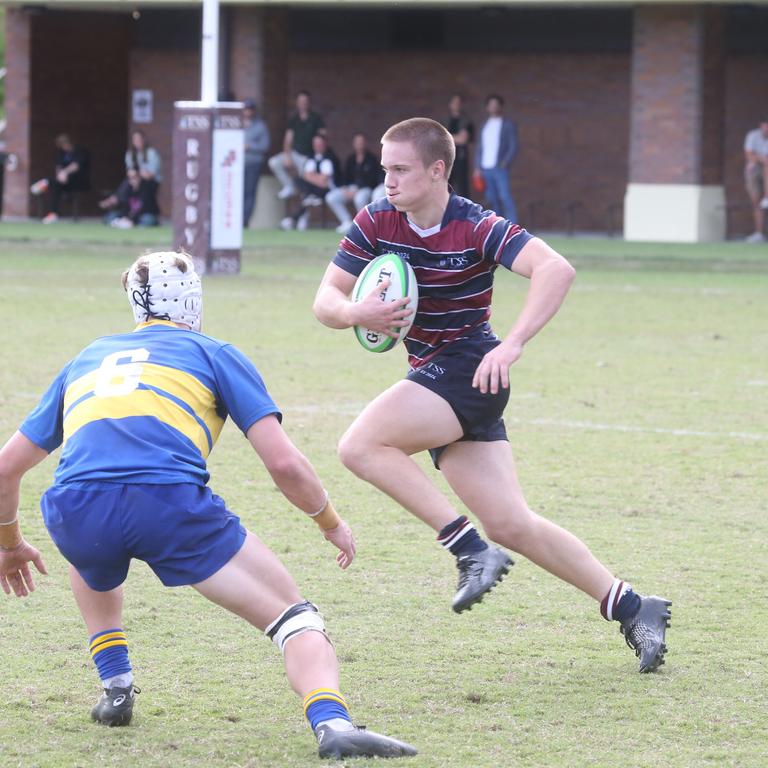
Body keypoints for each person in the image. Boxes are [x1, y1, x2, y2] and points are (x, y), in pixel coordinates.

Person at [0, 251, 416, 760]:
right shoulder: (213, 352)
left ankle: (116, 688)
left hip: (74, 507)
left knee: (92, 557)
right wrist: (328, 521)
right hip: (167, 503)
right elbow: (284, 464)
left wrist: (11, 544)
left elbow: (5, 469)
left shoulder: (88, 356)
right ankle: (333, 724)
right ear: (194, 298)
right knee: (295, 618)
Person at [313, 118, 671, 674]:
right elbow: (326, 299)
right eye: (385, 169)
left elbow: (555, 269)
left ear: (437, 171)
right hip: (441, 376)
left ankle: (466, 549)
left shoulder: (476, 225)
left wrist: (515, 343)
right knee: (512, 524)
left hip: (469, 370)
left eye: (400, 169)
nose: (388, 180)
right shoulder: (377, 220)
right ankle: (632, 605)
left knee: (361, 447)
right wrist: (355, 312)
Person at [268, 91, 326, 200]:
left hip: (308, 157)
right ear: (297, 103)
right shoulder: (294, 119)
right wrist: (287, 156)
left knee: (304, 183)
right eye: (300, 101)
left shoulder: (315, 118)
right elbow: (288, 139)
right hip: (294, 153)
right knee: (274, 162)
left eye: (305, 101)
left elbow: (323, 135)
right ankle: (289, 186)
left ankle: (303, 214)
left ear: (309, 102)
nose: (303, 103)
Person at [280, 134, 340, 231]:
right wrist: (316, 178)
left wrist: (312, 177)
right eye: (315, 144)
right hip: (312, 188)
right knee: (298, 181)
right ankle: (309, 198)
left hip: (325, 190)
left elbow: (324, 182)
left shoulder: (330, 158)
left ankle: (292, 219)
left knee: (306, 194)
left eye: (319, 144)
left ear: (324, 144)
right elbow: (306, 176)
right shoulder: (310, 158)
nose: (317, 146)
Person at [325, 133, 382, 234]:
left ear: (365, 143)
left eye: (361, 142)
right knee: (331, 197)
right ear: (354, 144)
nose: (359, 144)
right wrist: (344, 188)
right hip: (350, 188)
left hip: (366, 189)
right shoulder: (351, 159)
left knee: (359, 198)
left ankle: (364, 226)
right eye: (357, 142)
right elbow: (345, 176)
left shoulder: (371, 159)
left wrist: (358, 189)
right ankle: (346, 221)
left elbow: (373, 179)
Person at [473, 95, 518, 222]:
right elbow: (480, 147)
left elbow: (513, 145)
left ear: (500, 106)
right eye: (491, 104)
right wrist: (477, 167)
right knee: (492, 198)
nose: (493, 107)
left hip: (499, 167)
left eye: (496, 104)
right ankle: (499, 226)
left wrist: (506, 162)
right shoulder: (485, 124)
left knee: (505, 197)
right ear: (487, 107)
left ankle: (513, 226)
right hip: (485, 168)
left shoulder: (507, 124)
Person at [29, 133, 90, 224]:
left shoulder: (80, 151)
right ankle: (53, 213)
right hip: (63, 182)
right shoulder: (61, 153)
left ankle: (46, 183)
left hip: (78, 180)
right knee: (56, 186)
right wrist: (60, 175)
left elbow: (76, 166)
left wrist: (64, 173)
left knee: (55, 184)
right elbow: (58, 167)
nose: (63, 146)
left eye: (65, 143)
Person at [242, 98, 271, 227]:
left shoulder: (260, 126)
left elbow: (265, 146)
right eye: (246, 109)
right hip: (237, 163)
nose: (248, 112)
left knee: (249, 192)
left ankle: (245, 219)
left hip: (253, 163)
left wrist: (250, 146)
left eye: (250, 109)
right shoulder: (237, 124)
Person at [443, 94, 474, 199]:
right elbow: (440, 139)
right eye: (454, 102)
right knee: (445, 186)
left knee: (462, 187)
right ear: (450, 104)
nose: (457, 105)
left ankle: (464, 214)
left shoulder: (466, 121)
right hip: (446, 158)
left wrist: (448, 136)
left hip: (461, 157)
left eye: (459, 103)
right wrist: (455, 137)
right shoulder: (445, 121)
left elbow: (463, 140)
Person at [743, 120, 768, 243]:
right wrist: (760, 158)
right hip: (754, 169)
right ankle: (759, 233)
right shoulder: (753, 136)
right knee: (756, 202)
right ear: (761, 125)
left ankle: (767, 197)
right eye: (765, 126)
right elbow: (749, 155)